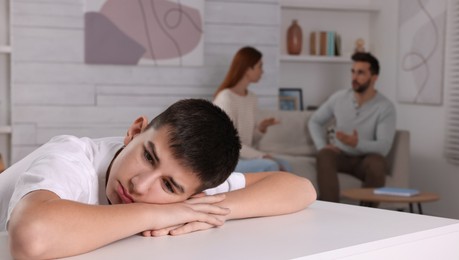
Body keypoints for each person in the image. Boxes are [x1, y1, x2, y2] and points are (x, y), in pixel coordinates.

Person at [0, 99, 316, 259]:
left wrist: (208, 212)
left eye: (167, 186)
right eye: (148, 156)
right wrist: (163, 211)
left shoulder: (189, 183)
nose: (140, 184)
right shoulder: (70, 157)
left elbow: (301, 188)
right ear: (135, 131)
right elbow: (32, 239)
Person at [308, 52, 396, 203]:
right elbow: (314, 121)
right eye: (353, 72)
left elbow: (383, 147)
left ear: (374, 77)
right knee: (324, 155)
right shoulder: (339, 98)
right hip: (340, 155)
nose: (354, 77)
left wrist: (357, 143)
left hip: (365, 159)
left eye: (361, 73)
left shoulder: (385, 107)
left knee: (378, 163)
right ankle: (331, 213)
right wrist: (322, 146)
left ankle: (368, 217)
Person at [213, 46, 292, 173]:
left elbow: (249, 141)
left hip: (244, 156)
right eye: (259, 66)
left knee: (285, 165)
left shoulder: (252, 98)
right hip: (227, 160)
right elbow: (229, 143)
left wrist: (261, 128)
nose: (262, 71)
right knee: (270, 166)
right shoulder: (226, 98)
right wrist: (262, 155)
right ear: (247, 69)